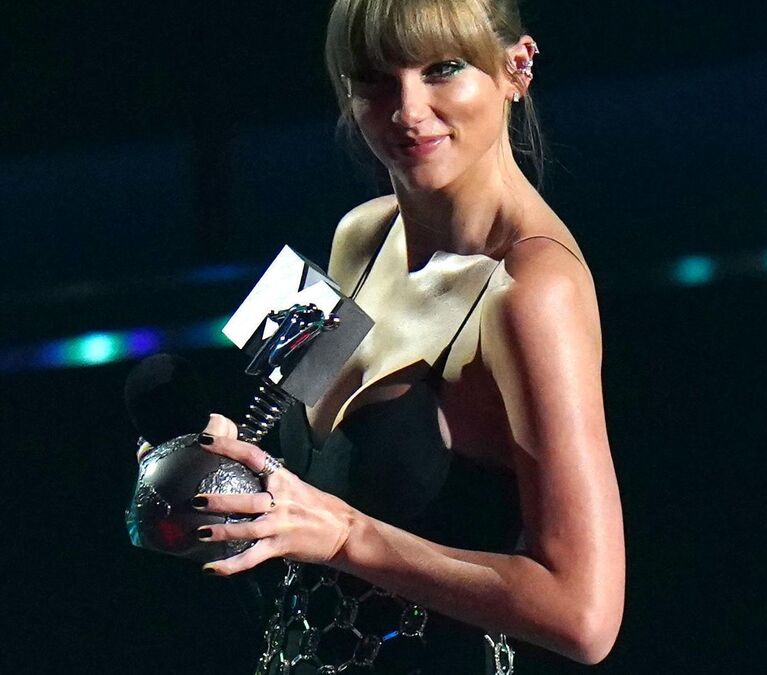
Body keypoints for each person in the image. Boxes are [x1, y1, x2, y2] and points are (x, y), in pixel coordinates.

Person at [190, 0, 625, 671]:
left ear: (516, 67)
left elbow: (584, 616)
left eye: (442, 69)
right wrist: (212, 470)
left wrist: (347, 537)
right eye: (375, 80)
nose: (408, 111)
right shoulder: (359, 236)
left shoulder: (532, 294)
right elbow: (299, 473)